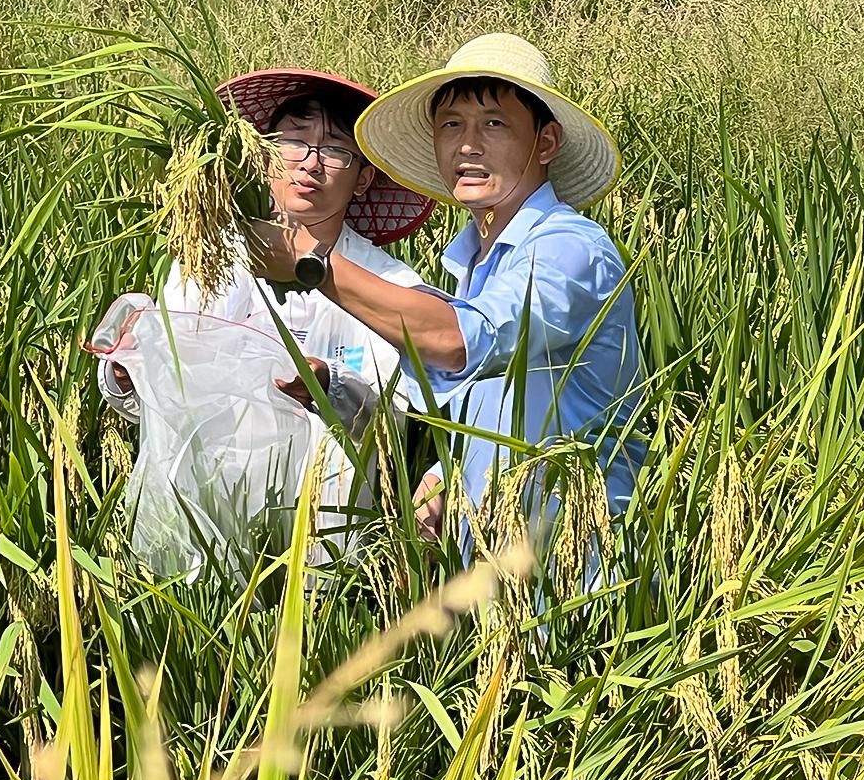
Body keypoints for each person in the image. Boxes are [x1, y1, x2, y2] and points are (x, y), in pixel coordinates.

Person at [249, 34, 645, 580]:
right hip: (490, 569)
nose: (468, 145)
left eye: (494, 124)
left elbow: (462, 342)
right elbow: (491, 403)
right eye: (452, 125)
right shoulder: (474, 267)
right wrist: (444, 477)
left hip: (576, 570)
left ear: (546, 142)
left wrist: (308, 258)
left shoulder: (570, 248)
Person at [98, 69, 436, 560]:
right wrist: (129, 371)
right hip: (208, 524)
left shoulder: (393, 287)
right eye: (293, 143)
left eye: (336, 150)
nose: (310, 164)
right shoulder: (209, 262)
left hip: (329, 533)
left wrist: (331, 385)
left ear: (363, 178)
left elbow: (397, 421)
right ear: (263, 158)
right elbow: (166, 402)